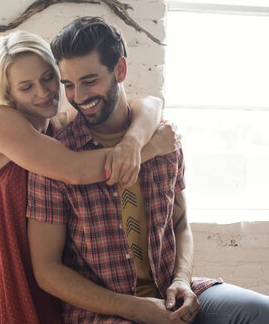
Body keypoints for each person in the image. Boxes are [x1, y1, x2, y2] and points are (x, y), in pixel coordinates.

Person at [27, 16, 269, 324]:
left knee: (262, 311)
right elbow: (47, 271)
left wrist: (182, 279)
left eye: (89, 81)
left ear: (120, 70)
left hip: (172, 295)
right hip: (104, 312)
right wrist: (134, 307)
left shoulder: (164, 140)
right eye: (69, 85)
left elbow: (181, 226)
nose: (79, 97)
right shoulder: (56, 157)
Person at [0, 30, 180, 324]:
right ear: (9, 92)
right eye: (26, 87)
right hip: (4, 268)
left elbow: (151, 103)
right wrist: (149, 147)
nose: (43, 92)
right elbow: (75, 170)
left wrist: (132, 141)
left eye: (48, 77)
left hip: (47, 270)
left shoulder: (53, 125)